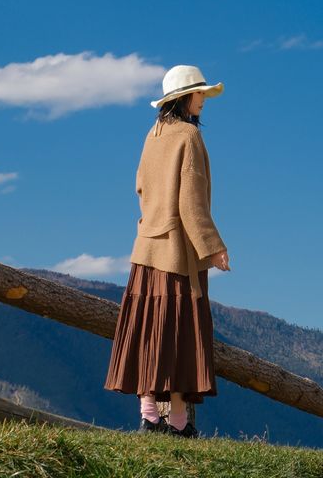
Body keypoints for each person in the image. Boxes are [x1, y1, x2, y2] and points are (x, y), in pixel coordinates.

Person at [103, 64, 231, 439]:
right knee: (179, 332)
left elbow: (140, 187)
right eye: (199, 93)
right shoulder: (189, 137)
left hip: (145, 249)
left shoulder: (152, 135)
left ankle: (149, 414)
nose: (203, 100)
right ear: (183, 98)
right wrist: (214, 248)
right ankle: (178, 421)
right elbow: (192, 204)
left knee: (148, 329)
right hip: (178, 252)